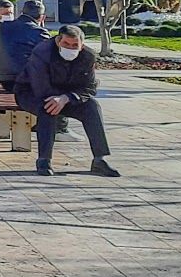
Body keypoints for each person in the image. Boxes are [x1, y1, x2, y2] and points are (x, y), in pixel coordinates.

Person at [15, 25, 120, 177]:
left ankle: (99, 159)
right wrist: (58, 99)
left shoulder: (88, 56)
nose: (70, 48)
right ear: (58, 41)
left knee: (92, 107)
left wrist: (67, 98)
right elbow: (40, 86)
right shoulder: (42, 52)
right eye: (66, 44)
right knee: (48, 108)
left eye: (74, 45)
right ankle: (44, 160)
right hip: (31, 93)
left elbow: (90, 88)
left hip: (67, 96)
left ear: (81, 45)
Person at [0, 0, 51, 93]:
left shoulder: (1, 27)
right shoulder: (39, 32)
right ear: (42, 17)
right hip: (26, 81)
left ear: (21, 12)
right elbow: (49, 56)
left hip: (4, 80)